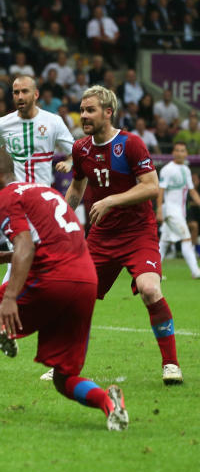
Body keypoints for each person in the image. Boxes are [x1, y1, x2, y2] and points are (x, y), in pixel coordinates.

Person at [0, 148, 128, 431]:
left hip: (54, 276)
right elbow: (49, 241)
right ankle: (108, 403)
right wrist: (4, 256)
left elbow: (25, 244)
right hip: (85, 279)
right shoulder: (40, 191)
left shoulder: (5, 198)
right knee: (63, 378)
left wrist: (10, 297)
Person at [65, 85, 182, 385]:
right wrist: (60, 219)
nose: (84, 116)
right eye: (82, 110)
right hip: (102, 236)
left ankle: (171, 364)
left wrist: (109, 200)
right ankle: (64, 364)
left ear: (108, 112)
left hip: (138, 232)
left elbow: (150, 186)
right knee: (77, 296)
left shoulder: (131, 144)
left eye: (90, 110)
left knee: (150, 289)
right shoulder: (81, 149)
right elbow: (77, 187)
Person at [0, 74, 76, 367]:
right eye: (15, 92)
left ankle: (2, 317)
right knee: (25, 258)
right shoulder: (3, 124)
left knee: (25, 259)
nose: (20, 96)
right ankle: (6, 318)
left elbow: (75, 150)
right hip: (15, 201)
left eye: (25, 91)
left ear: (36, 94)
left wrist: (70, 162)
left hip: (42, 204)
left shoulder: (52, 122)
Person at [158, 142, 200, 276]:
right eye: (177, 150)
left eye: (183, 151)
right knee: (186, 238)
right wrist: (159, 209)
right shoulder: (167, 169)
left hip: (180, 212)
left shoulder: (186, 170)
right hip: (170, 210)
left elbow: (192, 191)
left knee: (164, 242)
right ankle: (195, 271)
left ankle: (153, 271)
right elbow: (161, 191)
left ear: (186, 153)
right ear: (173, 153)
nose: (180, 153)